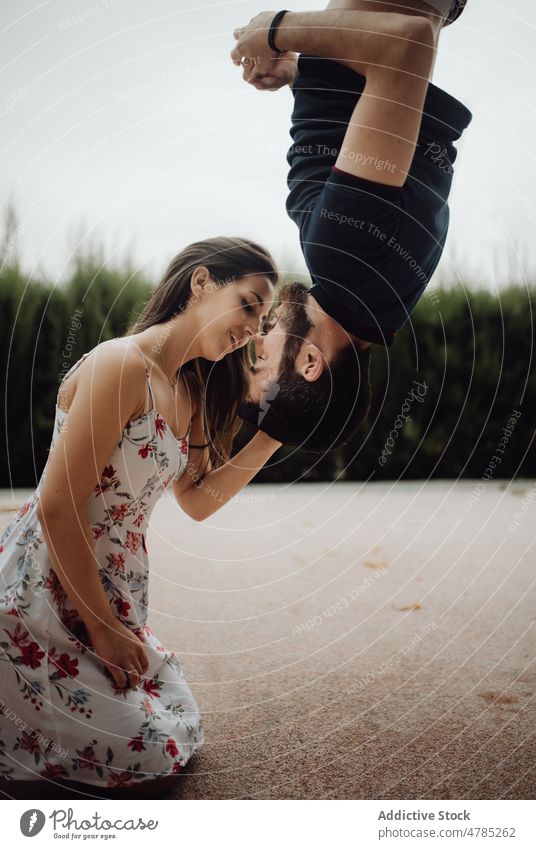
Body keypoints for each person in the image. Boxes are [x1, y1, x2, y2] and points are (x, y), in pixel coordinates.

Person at [0, 237, 282, 799]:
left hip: (116, 594)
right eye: (249, 303)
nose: (254, 328)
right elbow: (58, 504)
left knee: (178, 724)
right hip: (42, 589)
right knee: (148, 753)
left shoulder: (190, 388)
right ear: (201, 282)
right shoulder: (121, 363)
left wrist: (275, 435)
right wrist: (103, 631)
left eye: (264, 318)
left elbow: (197, 499)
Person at [231, 0, 472, 452]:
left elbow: (356, 129)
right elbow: (406, 43)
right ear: (308, 363)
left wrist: (301, 77)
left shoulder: (383, 301)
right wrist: (275, 31)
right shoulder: (347, 255)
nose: (257, 339)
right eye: (259, 362)